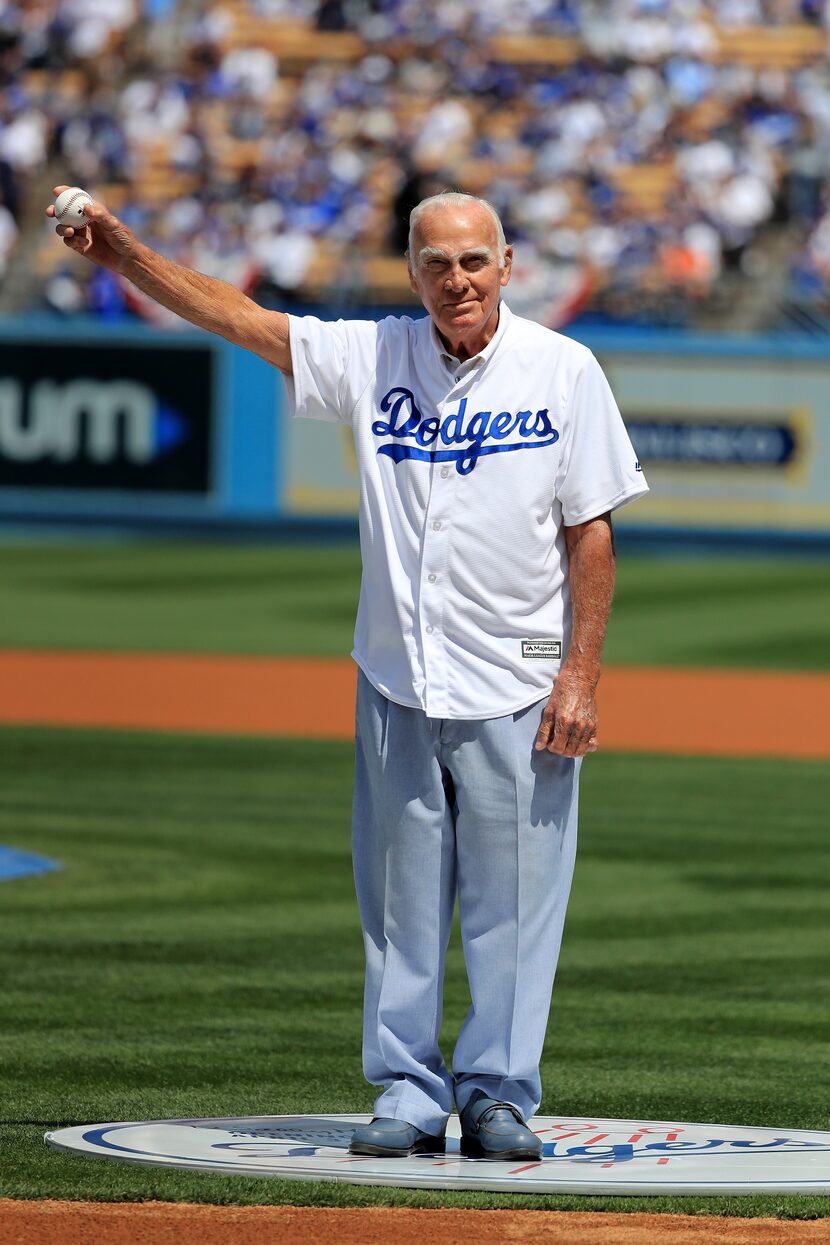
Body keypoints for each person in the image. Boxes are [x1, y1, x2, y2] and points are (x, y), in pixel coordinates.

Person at [48, 185, 648, 1161]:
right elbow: (236, 316)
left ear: (506, 266)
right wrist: (122, 256)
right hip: (398, 674)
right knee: (400, 901)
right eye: (435, 263)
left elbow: (590, 533)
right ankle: (407, 1092)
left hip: (520, 679)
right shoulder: (375, 356)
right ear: (410, 275)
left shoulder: (562, 370)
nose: (455, 279)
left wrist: (578, 677)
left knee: (514, 902)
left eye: (472, 260)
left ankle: (497, 1092)